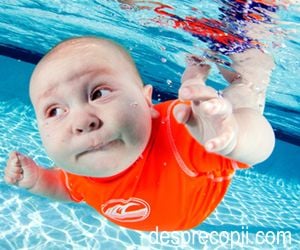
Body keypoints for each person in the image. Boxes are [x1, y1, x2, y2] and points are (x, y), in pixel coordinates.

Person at [4, 36, 275, 231]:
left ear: (148, 101)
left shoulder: (184, 129)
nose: (82, 122)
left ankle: (247, 49)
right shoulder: (80, 163)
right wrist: (39, 180)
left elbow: (261, 148)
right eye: (54, 111)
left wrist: (237, 136)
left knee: (244, 93)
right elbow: (69, 188)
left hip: (205, 161)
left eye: (99, 93)